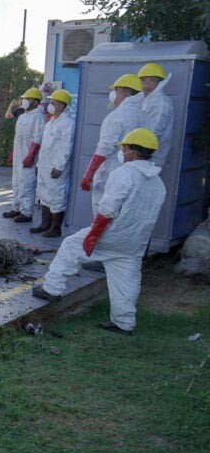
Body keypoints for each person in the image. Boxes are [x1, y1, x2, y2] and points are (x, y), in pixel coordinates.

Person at [33, 129, 166, 335]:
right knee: (126, 280)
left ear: (134, 151)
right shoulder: (158, 183)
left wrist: (93, 235)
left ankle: (52, 288)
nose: (122, 149)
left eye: (125, 146)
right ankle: (124, 323)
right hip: (135, 242)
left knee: (70, 246)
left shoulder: (125, 173)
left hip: (112, 235)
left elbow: (107, 210)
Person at [79, 74, 145, 216]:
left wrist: (88, 175)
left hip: (110, 174)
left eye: (116, 90)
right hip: (134, 173)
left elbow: (104, 149)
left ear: (125, 91)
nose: (113, 94)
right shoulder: (143, 115)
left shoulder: (116, 116)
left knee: (103, 213)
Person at [24, 89, 73, 237]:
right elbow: (45, 146)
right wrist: (39, 165)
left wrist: (59, 167)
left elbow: (66, 146)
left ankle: (56, 228)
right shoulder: (51, 122)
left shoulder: (67, 123)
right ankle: (45, 224)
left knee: (57, 195)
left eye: (54, 103)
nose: (50, 105)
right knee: (44, 194)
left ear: (62, 106)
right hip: (44, 166)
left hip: (55, 167)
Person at [3, 88, 45, 222]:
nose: (24, 101)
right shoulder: (22, 116)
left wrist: (31, 156)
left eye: (27, 99)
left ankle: (27, 212)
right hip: (18, 156)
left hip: (28, 157)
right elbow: (18, 137)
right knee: (16, 182)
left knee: (27, 183)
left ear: (35, 101)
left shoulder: (38, 117)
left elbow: (38, 138)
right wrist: (12, 153)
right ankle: (16, 208)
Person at [136, 62, 175, 168]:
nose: (147, 84)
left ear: (160, 82)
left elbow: (154, 132)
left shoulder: (159, 102)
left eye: (152, 80)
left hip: (149, 158)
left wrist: (141, 155)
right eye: (144, 80)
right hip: (143, 155)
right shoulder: (148, 99)